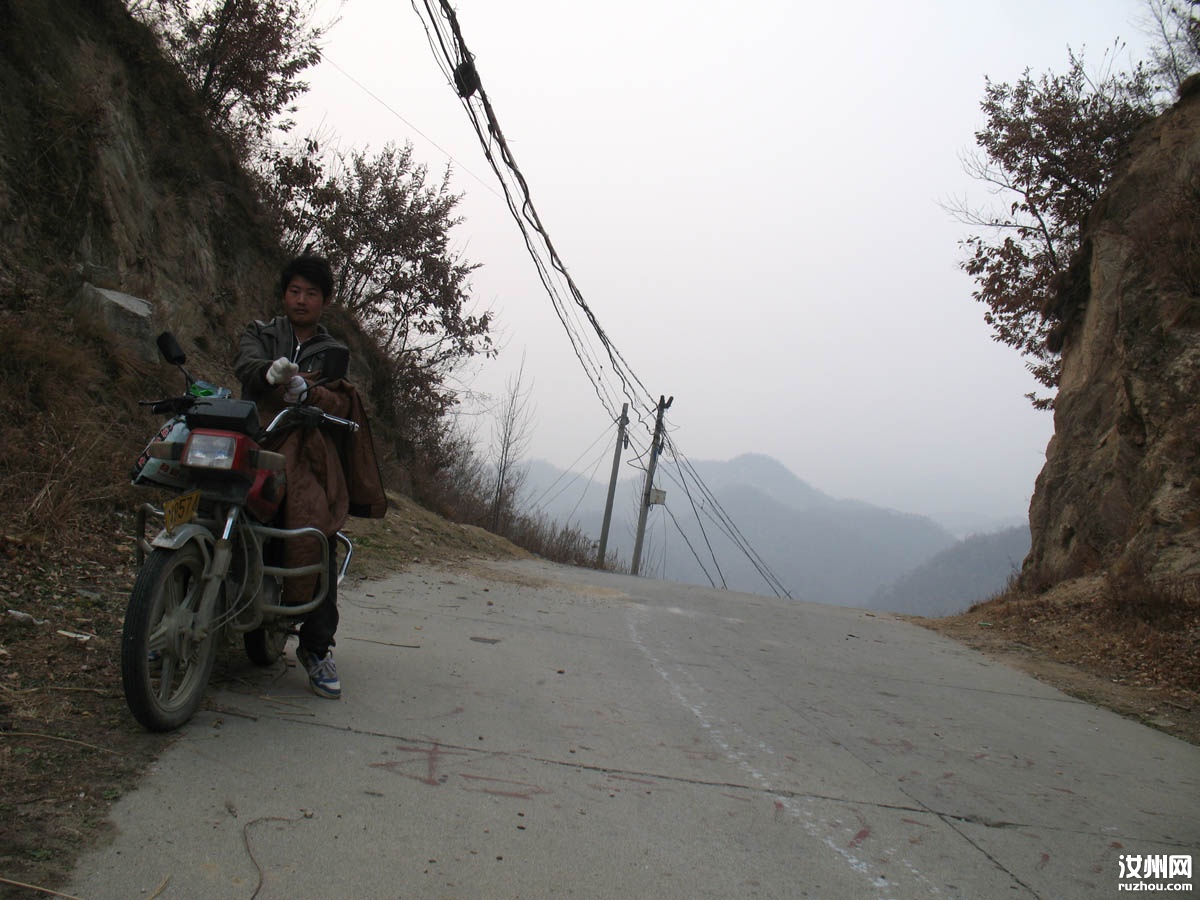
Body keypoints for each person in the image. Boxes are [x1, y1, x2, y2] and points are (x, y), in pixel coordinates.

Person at [234, 253, 386, 699]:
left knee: (314, 527)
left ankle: (317, 647)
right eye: (295, 291)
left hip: (305, 448)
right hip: (253, 437)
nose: (301, 300)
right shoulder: (259, 334)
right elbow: (246, 367)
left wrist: (310, 392)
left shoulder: (334, 351)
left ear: (324, 301)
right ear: (284, 294)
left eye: (312, 293)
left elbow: (341, 402)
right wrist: (268, 373)